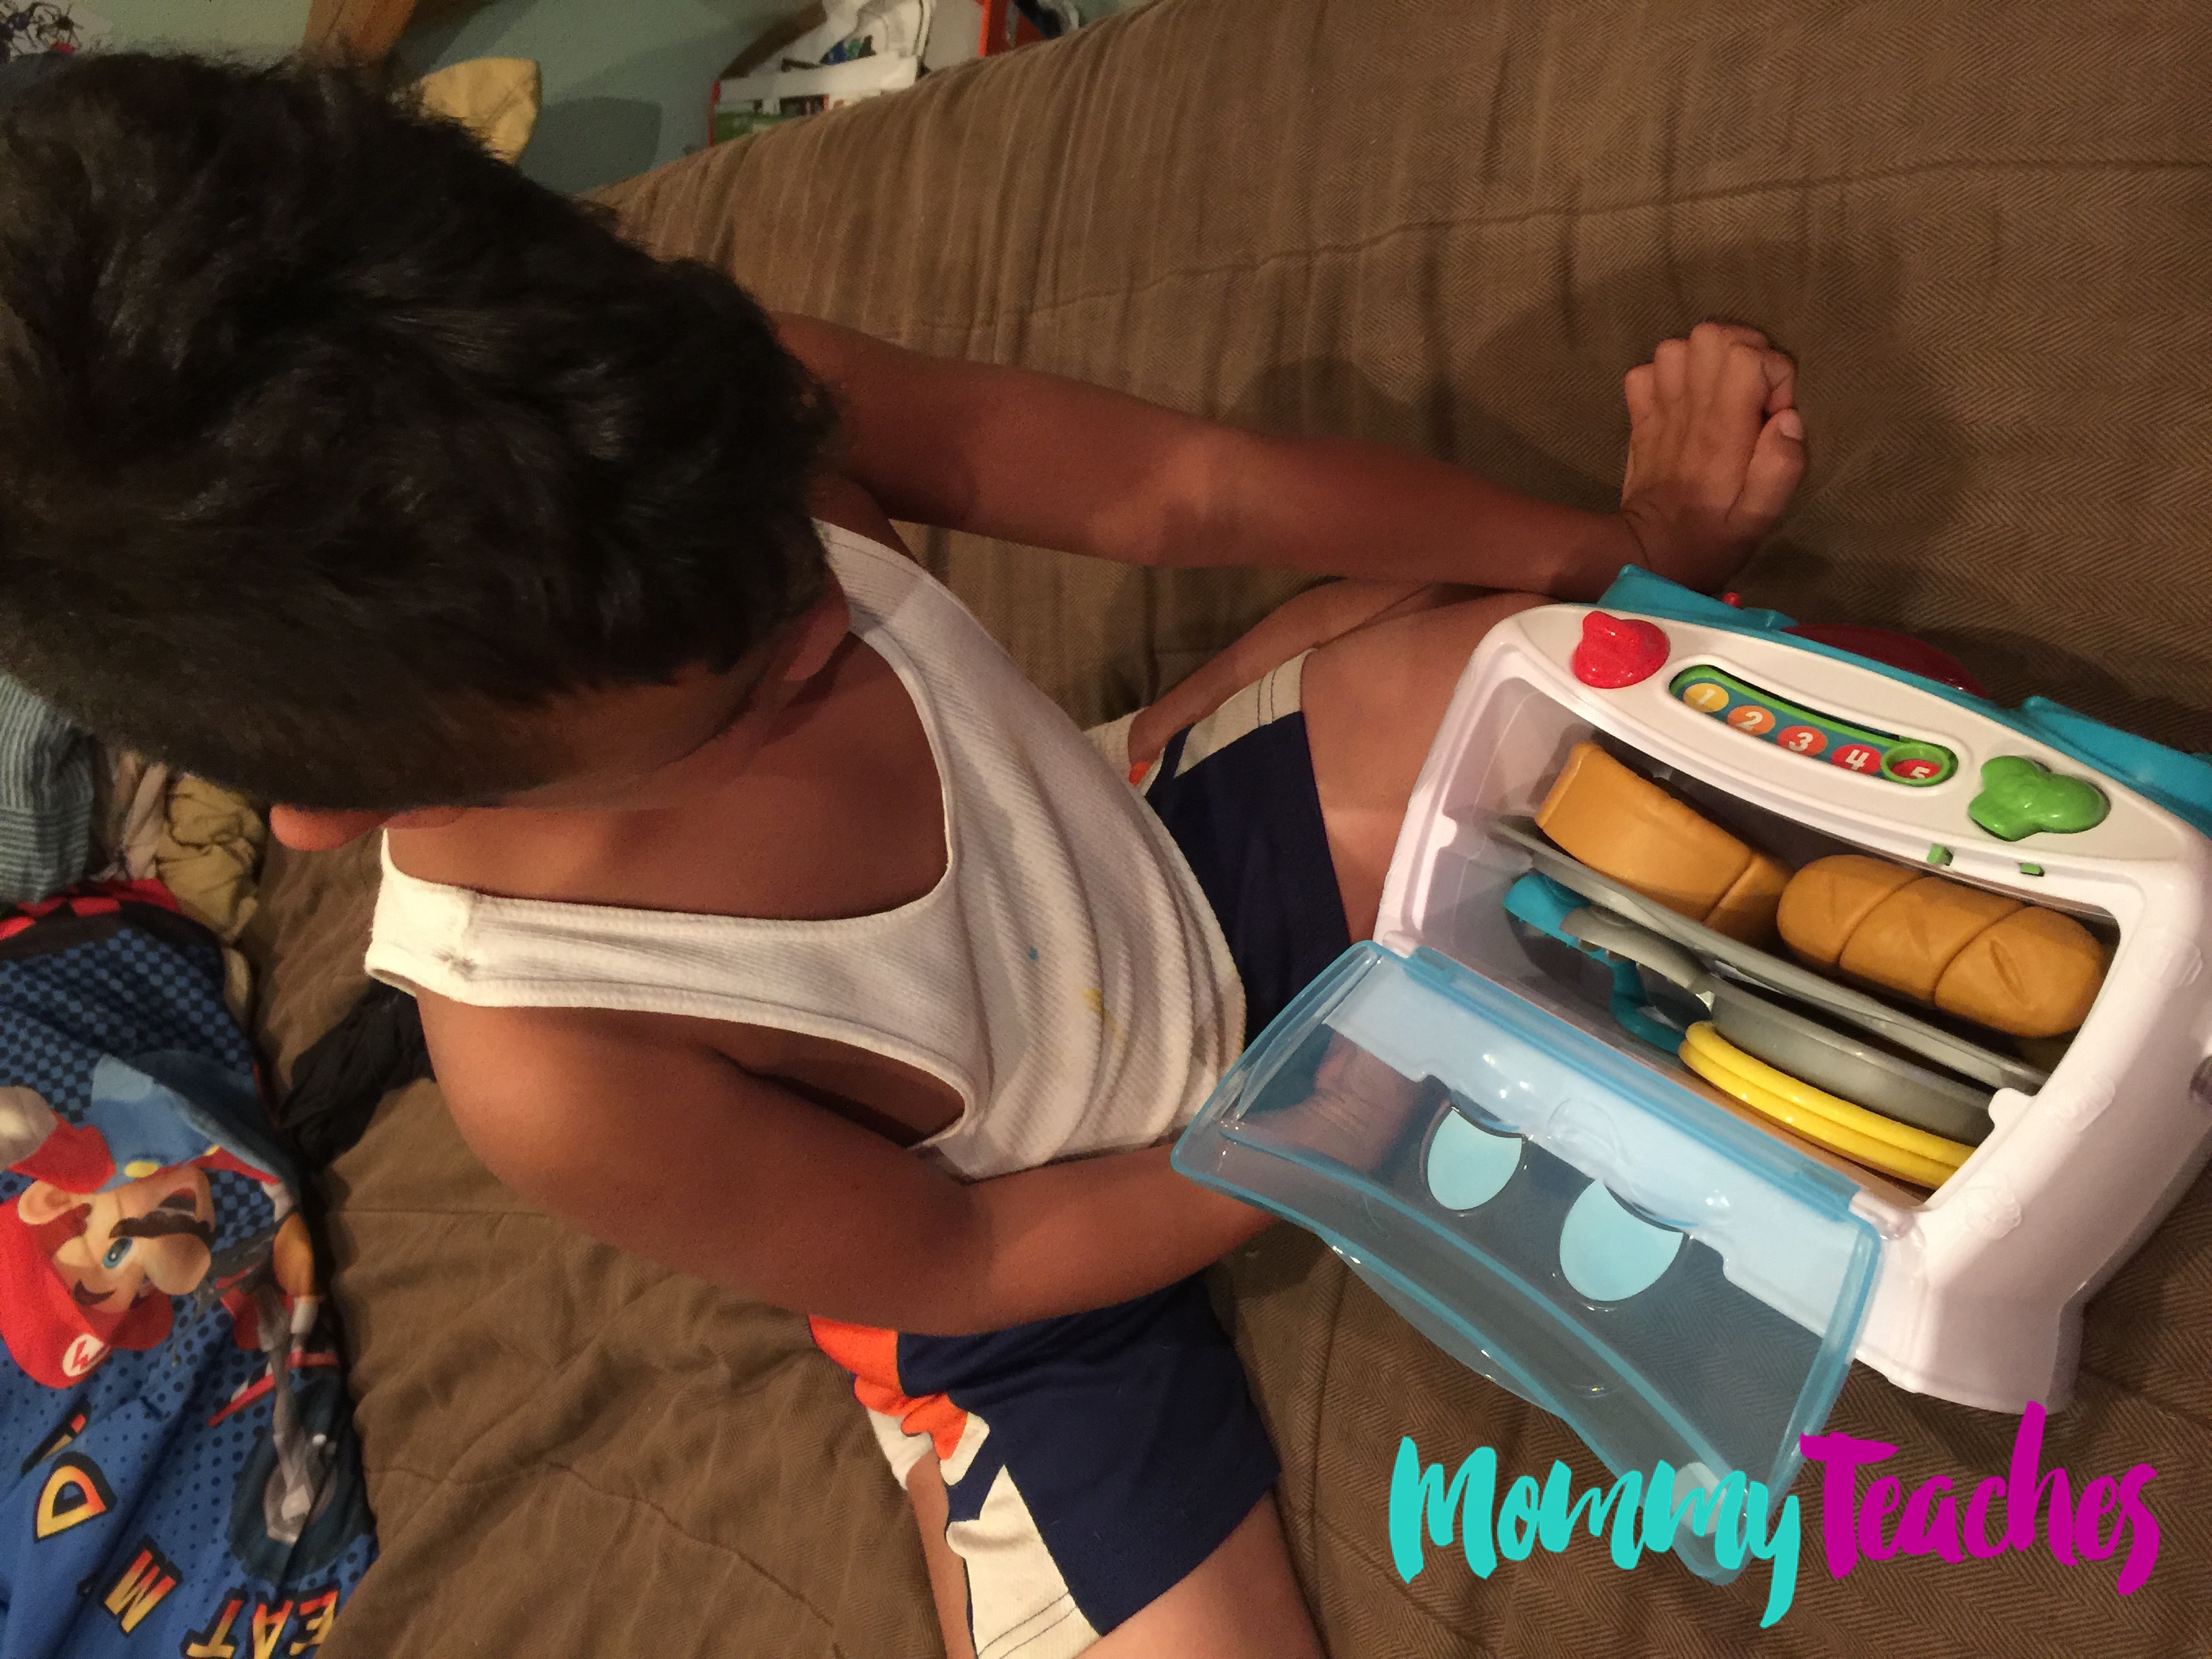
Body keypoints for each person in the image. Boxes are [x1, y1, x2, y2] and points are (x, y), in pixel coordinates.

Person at [0, 53, 1805, 1659]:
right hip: (1020, 1278)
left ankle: (1252, 705)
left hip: (1158, 869)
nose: (830, 611)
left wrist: (1615, 555)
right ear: (365, 805)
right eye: (754, 689)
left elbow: (1184, 486)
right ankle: (965, 1507)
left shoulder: (732, 401)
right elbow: (964, 1257)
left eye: (794, 527)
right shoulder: (548, 1058)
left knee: (1585, 685)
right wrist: (1327, 1137)